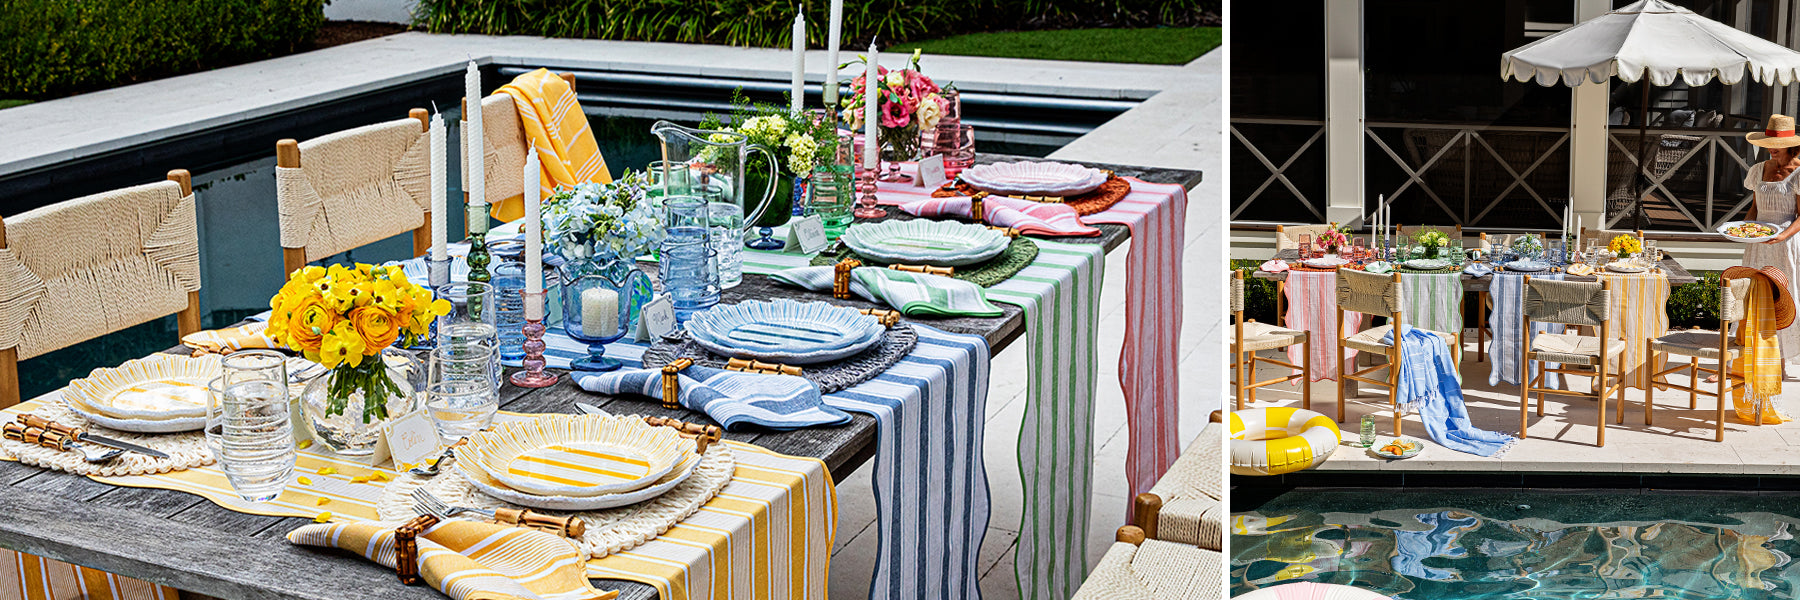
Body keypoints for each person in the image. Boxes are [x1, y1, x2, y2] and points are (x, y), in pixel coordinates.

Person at [1743, 114, 1800, 379]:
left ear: (1791, 144)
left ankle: (1782, 361)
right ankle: (1744, 360)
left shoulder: (1799, 172)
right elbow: (1754, 209)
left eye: (1776, 144)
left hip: (1785, 244)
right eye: (1767, 143)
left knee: (1783, 300)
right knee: (1753, 297)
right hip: (1758, 243)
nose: (1770, 148)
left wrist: (1783, 236)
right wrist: (1744, 229)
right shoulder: (1759, 170)